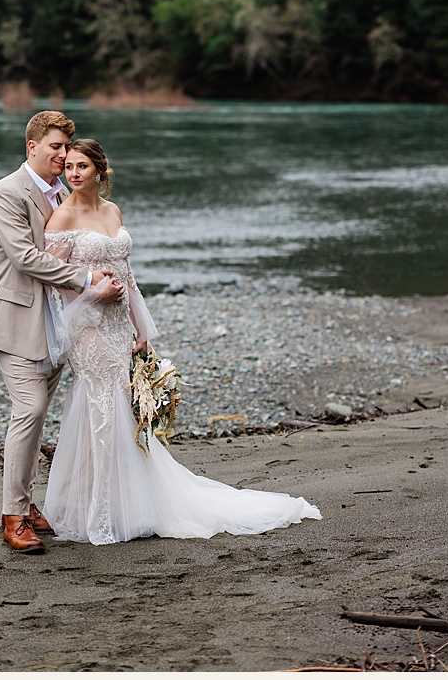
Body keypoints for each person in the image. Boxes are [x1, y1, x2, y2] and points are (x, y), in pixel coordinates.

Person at [38, 138, 322, 544]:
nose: (74, 173)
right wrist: (92, 295)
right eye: (69, 167)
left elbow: (127, 272)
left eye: (82, 166)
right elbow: (54, 280)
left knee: (125, 408)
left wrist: (139, 327)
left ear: (100, 171)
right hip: (89, 327)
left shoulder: (112, 210)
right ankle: (96, 510)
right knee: (99, 406)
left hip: (120, 326)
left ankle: (129, 500)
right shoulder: (62, 217)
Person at [0, 110, 117, 554]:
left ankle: (28, 502)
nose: (62, 155)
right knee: (31, 410)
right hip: (18, 319)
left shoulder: (62, 191)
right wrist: (88, 280)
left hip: (60, 323)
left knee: (39, 418)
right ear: (32, 147)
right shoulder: (6, 193)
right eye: (55, 147)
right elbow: (25, 258)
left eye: (66, 148)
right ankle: (12, 516)